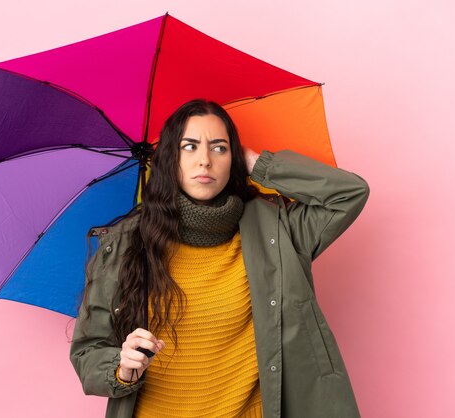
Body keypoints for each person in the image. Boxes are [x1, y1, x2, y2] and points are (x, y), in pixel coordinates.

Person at [69, 99, 370, 418]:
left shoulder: (277, 230)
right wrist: (121, 366)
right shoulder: (125, 243)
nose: (205, 161)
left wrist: (258, 164)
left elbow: (349, 194)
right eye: (189, 147)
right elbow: (88, 352)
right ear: (170, 158)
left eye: (219, 148)